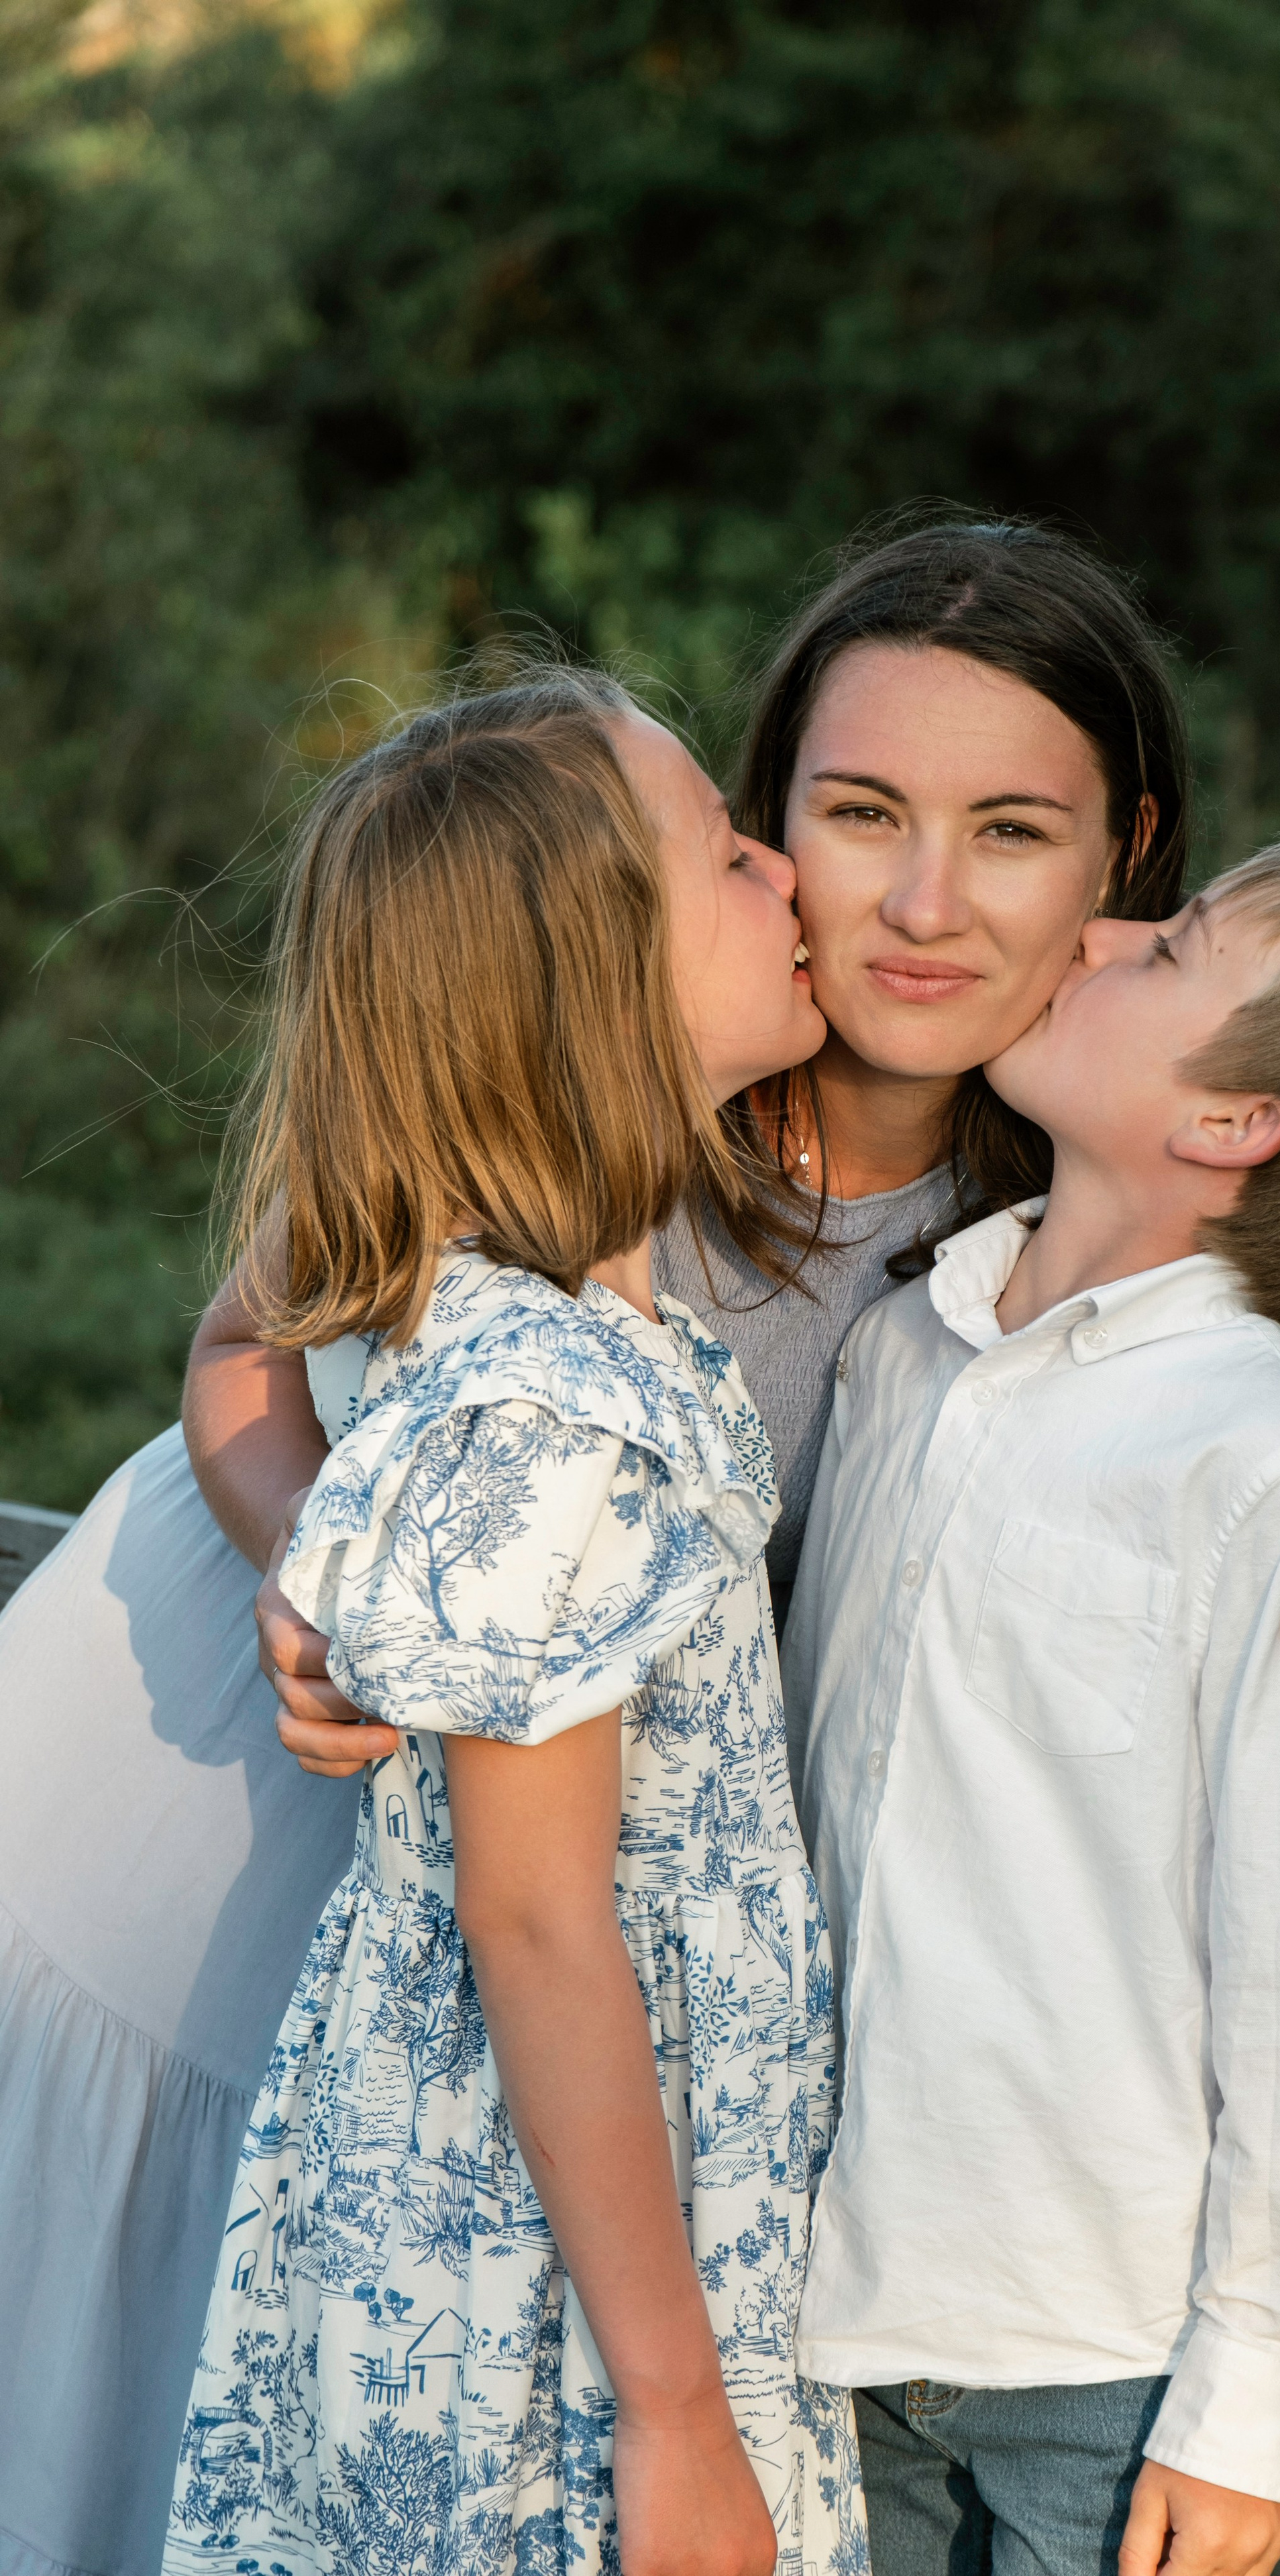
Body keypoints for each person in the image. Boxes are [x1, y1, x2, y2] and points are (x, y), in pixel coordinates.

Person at [0, 521, 1280, 2576]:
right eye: (855, 816)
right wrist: (323, 1563)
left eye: (1012, 831)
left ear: (1127, 859)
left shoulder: (1078, 1234)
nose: (923, 903)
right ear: (764, 832)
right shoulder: (595, 1077)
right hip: (227, 1824)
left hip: (547, 1957)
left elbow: (1183, 1534)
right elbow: (249, 1339)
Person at [784, 835, 1280, 2576]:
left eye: (1172, 951)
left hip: (1110, 2349)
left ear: (1232, 1125)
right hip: (823, 2293)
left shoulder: (1268, 1463)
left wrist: (1266, 2403)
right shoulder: (899, 1349)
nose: (1103, 934)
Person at [160, 665, 865, 2572]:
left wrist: (327, 1568)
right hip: (551, 2264)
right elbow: (540, 1916)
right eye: (729, 854)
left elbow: (235, 1341)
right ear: (597, 989)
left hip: (462, 2179)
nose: (787, 876)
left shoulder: (458, 1291)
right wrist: (677, 2408)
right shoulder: (554, 1410)